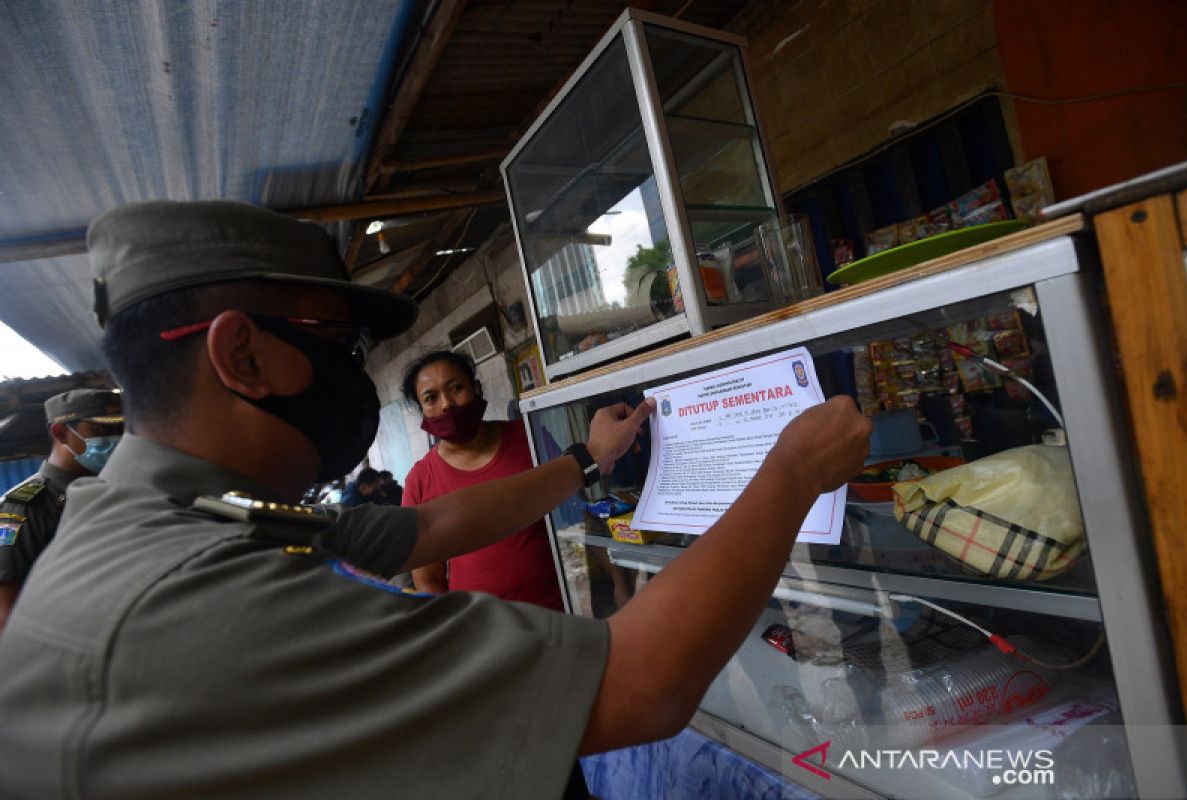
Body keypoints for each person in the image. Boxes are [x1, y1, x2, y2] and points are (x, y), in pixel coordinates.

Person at [0, 200, 870, 798]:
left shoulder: (187, 510)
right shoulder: (196, 591)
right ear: (243, 356)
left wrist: (583, 462)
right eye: (337, 341)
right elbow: (641, 685)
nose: (358, 374)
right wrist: (789, 474)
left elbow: (425, 526)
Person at [404, 350, 562, 610]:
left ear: (476, 388)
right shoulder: (420, 481)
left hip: (562, 608)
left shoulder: (529, 438)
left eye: (456, 388)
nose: (446, 404)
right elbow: (429, 581)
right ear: (422, 409)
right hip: (484, 630)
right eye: (431, 398)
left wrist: (617, 582)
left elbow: (578, 513)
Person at [0, 388, 123, 632]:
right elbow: (5, 610)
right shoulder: (26, 506)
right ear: (61, 433)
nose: (115, 440)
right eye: (100, 431)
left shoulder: (117, 492)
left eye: (120, 431)